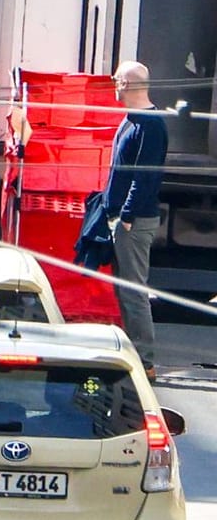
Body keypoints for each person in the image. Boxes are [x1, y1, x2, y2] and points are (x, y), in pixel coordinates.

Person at [103, 61, 169, 374]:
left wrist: (127, 214)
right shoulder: (130, 119)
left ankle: (144, 361)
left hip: (135, 221)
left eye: (117, 80)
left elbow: (145, 177)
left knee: (133, 291)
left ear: (128, 84)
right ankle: (133, 353)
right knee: (123, 289)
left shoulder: (151, 125)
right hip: (120, 217)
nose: (114, 85)